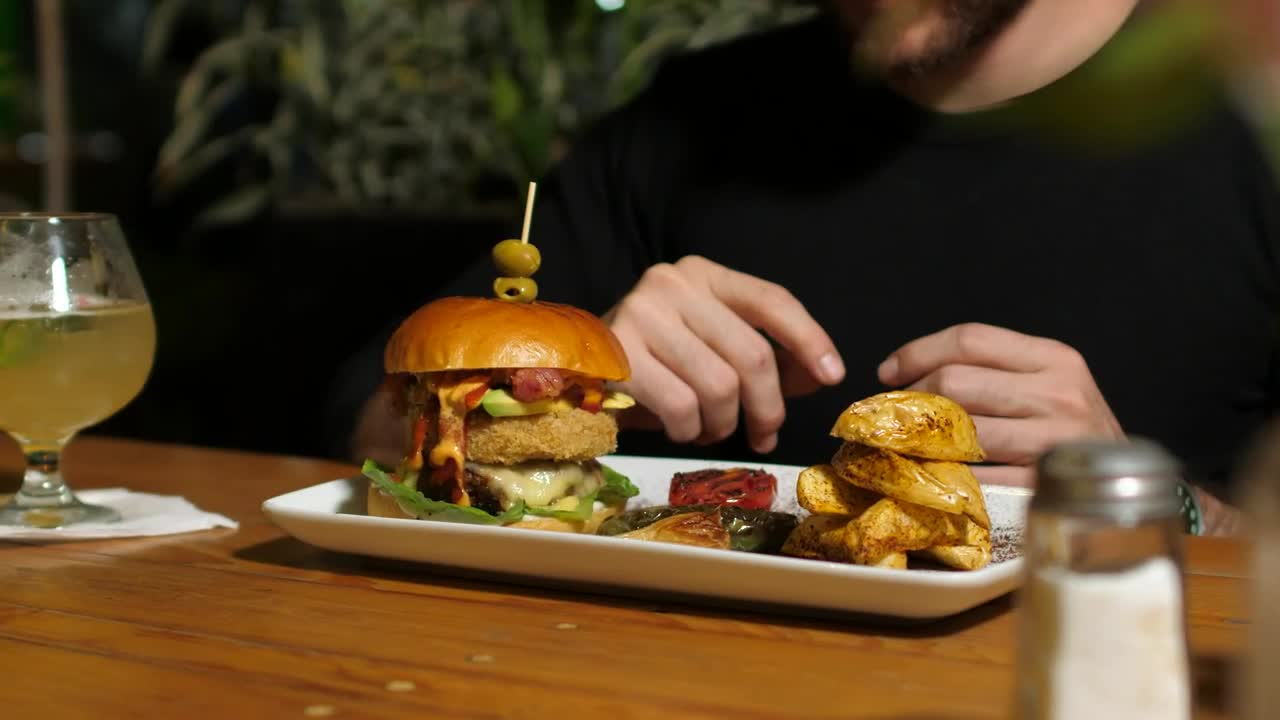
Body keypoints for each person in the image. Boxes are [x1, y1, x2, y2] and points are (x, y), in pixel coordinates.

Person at [340, 0, 1278, 536]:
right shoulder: (694, 118)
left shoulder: (1254, 107)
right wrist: (543, 394)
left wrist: (1159, 505)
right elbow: (358, 428)